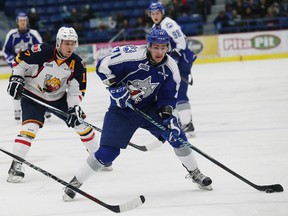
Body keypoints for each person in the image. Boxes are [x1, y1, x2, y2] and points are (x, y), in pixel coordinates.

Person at [62, 28, 212, 201]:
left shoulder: (171, 67)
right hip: (122, 110)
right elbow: (102, 65)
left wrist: (169, 118)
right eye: (156, 47)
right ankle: (75, 182)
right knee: (107, 153)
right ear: (148, 46)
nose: (160, 52)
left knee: (178, 138)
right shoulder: (131, 55)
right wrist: (114, 87)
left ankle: (195, 173)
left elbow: (168, 97)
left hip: (150, 108)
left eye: (164, 48)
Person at [6, 27, 111, 183]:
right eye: (66, 43)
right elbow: (20, 63)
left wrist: (74, 108)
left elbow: (75, 91)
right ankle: (16, 165)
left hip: (57, 98)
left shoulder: (77, 64)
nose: (70, 47)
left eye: (72, 43)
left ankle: (98, 158)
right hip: (33, 94)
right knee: (30, 129)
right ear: (58, 43)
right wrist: (16, 78)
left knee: (81, 124)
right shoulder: (41, 51)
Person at [148, 2, 197, 137]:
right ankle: (179, 123)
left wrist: (174, 57)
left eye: (157, 13)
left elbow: (181, 42)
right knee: (171, 93)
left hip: (182, 61)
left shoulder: (168, 24)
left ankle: (187, 124)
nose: (155, 16)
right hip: (173, 63)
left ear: (162, 13)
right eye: (153, 13)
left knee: (179, 92)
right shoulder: (155, 27)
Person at [3, 12, 51, 122]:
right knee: (16, 87)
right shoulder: (12, 34)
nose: (23, 22)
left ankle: (46, 109)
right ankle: (17, 112)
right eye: (20, 20)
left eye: (24, 20)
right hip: (18, 67)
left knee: (40, 87)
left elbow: (41, 48)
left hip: (33, 67)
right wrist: (13, 62)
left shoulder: (33, 33)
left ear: (27, 21)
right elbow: (6, 51)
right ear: (17, 22)